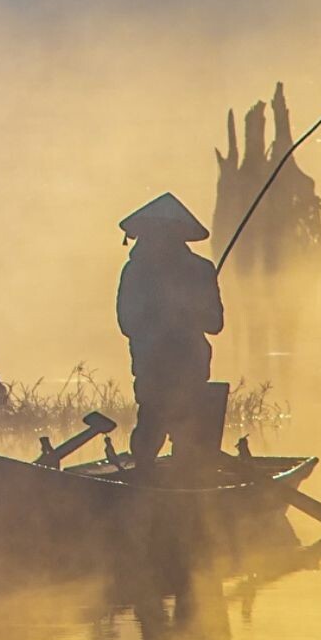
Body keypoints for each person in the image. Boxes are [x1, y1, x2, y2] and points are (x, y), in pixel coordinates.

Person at [116, 192, 224, 466]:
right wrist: (162, 315)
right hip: (152, 366)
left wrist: (188, 311)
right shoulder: (136, 272)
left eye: (162, 234)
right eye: (151, 234)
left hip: (189, 366)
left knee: (188, 437)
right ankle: (143, 486)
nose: (154, 240)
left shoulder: (200, 271)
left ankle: (186, 490)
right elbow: (127, 322)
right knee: (150, 426)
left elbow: (215, 323)